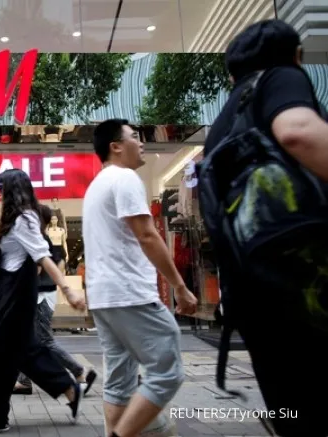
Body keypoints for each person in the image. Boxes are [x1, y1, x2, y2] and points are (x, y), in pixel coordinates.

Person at [204, 19, 328, 437]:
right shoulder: (280, 78)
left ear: (231, 74)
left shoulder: (220, 127)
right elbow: (298, 133)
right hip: (310, 278)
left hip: (253, 295)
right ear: (296, 57)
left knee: (296, 414)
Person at [83, 119, 198, 437]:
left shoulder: (97, 185)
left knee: (120, 380)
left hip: (105, 298)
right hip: (129, 293)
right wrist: (180, 286)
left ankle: (116, 430)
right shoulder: (124, 178)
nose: (142, 142)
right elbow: (147, 235)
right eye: (135, 136)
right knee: (168, 370)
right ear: (115, 146)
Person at [0, 169, 87, 435]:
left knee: (0, 360)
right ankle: (70, 390)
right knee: (25, 353)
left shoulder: (24, 219)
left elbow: (43, 257)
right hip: (8, 299)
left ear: (12, 190)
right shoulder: (17, 219)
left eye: (1, 187)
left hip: (13, 302)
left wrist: (68, 290)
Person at [13, 203, 97, 396]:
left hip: (38, 297)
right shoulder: (41, 238)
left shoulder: (37, 238)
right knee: (26, 340)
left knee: (43, 340)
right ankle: (24, 381)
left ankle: (78, 371)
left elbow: (36, 270)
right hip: (41, 295)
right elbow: (56, 263)